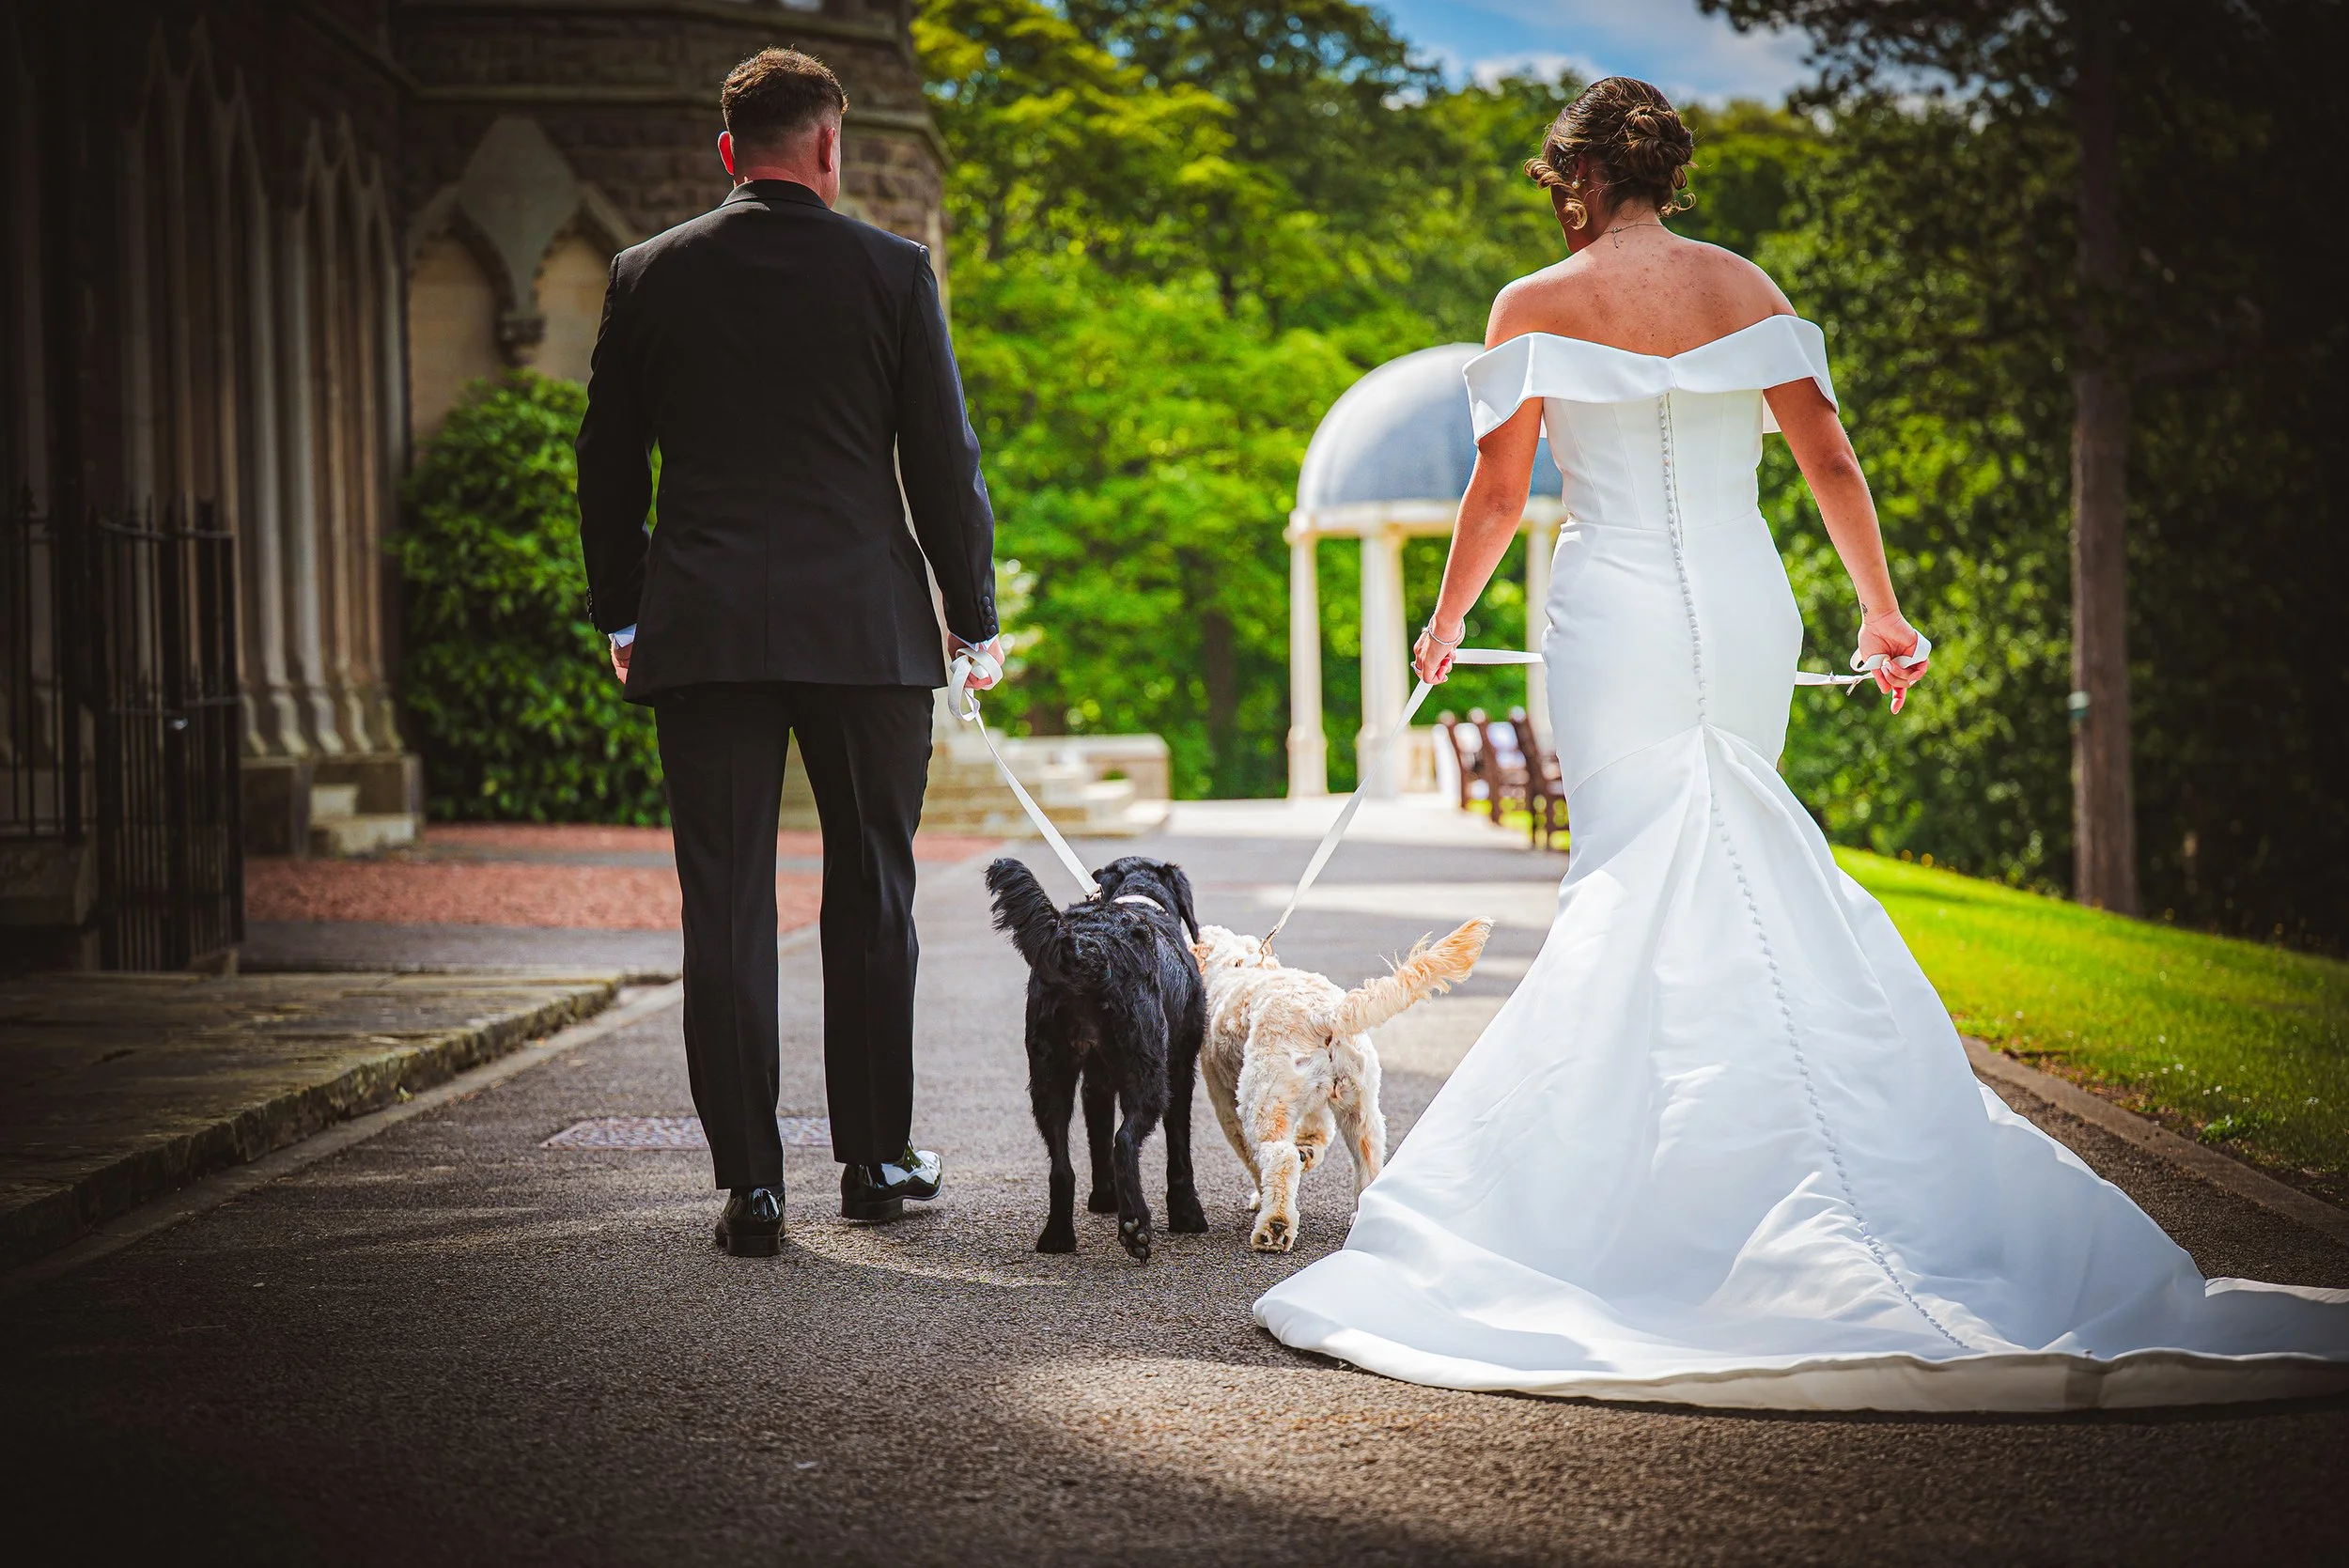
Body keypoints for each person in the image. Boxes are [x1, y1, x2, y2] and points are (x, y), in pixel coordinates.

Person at [1252, 77, 2349, 1408]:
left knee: (1637, 871)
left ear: (1577, 178)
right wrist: (1882, 614)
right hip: (1744, 603)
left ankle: (1661, 1195)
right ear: (1667, 172)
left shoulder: (1534, 306)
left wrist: (1444, 621)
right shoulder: (1749, 292)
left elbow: (1500, 488)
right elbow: (1828, 457)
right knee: (1725, 848)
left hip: (1616, 616)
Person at [576, 49, 1003, 1256]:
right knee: (871, 891)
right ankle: (872, 1161)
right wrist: (972, 619)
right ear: (830, 148)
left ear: (728, 152)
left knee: (723, 906)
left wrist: (625, 612)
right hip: (863, 628)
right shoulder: (892, 271)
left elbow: (607, 464)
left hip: (702, 624)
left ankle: (752, 1186)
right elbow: (941, 463)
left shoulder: (646, 274)